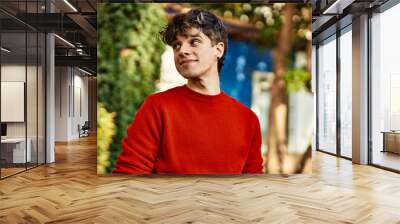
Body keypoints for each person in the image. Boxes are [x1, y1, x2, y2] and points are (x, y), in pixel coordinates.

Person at [113, 8, 263, 174]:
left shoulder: (247, 120)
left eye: (194, 42)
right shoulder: (157, 107)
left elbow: (252, 186)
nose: (182, 51)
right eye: (177, 45)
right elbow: (129, 176)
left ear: (218, 50)